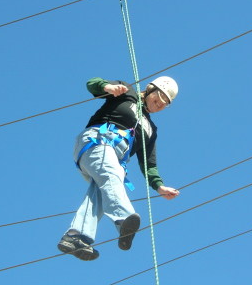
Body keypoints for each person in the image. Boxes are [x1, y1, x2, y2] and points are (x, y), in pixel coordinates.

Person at [58, 76, 180, 261]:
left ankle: (75, 236)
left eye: (165, 103)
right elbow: (92, 83)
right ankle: (124, 218)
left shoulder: (151, 131)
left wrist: (159, 186)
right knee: (111, 176)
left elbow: (149, 164)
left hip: (113, 160)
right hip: (96, 142)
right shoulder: (127, 93)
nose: (160, 104)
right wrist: (107, 87)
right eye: (159, 97)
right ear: (150, 89)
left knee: (100, 192)